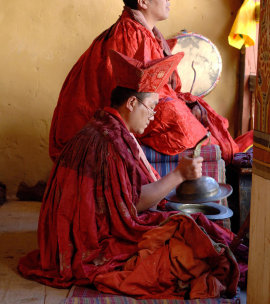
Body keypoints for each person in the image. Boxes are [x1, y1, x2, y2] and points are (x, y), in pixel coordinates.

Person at [18, 46, 239, 299]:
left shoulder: (105, 127)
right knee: (186, 252)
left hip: (60, 241)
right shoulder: (109, 143)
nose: (154, 115)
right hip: (86, 245)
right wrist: (179, 175)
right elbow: (131, 207)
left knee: (194, 236)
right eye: (152, 107)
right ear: (132, 102)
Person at [49, 0, 240, 164]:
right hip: (93, 121)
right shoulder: (129, 35)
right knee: (184, 120)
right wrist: (183, 112)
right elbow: (140, 96)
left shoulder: (141, 30)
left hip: (138, 103)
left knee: (198, 113)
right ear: (143, 2)